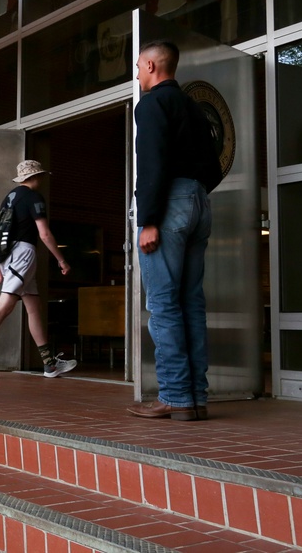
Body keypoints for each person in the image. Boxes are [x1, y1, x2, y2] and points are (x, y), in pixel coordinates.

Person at [126, 40, 222, 422]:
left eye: (137, 66)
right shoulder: (193, 108)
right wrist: (194, 194)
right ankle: (196, 396)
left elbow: (151, 163)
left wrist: (149, 220)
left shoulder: (151, 104)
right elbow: (214, 167)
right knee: (191, 303)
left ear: (151, 65)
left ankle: (177, 397)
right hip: (199, 201)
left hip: (169, 205)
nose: (136, 74)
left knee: (164, 305)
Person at [0, 160, 77, 380]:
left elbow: (0, 230)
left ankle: (49, 364)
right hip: (22, 254)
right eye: (41, 176)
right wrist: (61, 260)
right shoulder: (34, 197)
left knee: (34, 306)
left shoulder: (10, 197)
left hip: (9, 256)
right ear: (36, 177)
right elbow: (44, 234)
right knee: (5, 305)